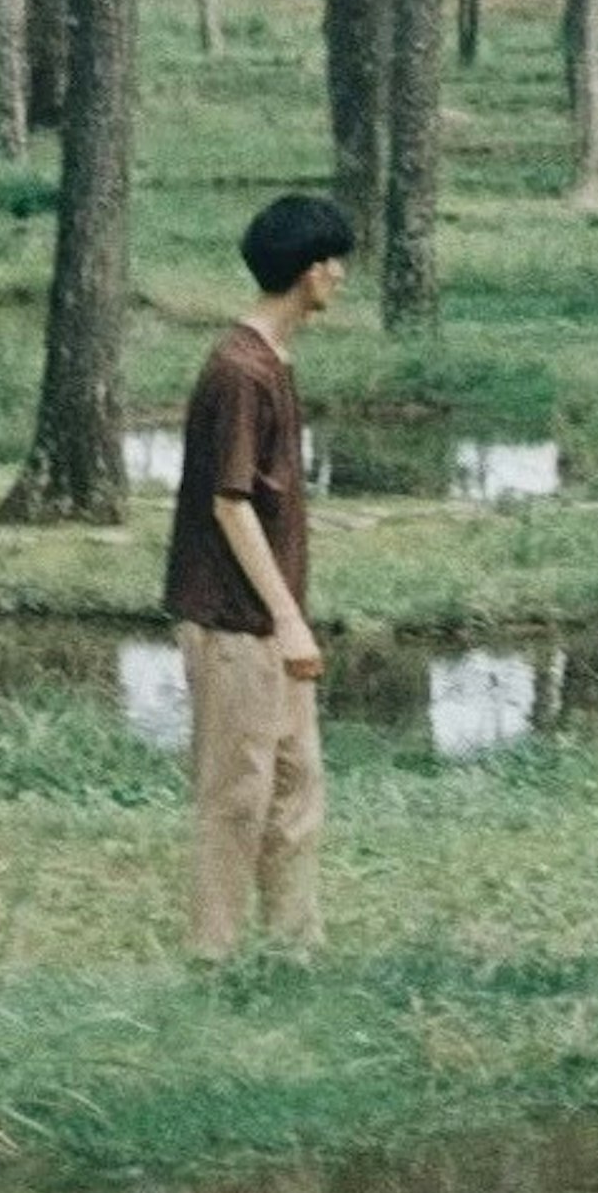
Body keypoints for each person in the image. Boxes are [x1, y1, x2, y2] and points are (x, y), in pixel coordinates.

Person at [161, 194, 351, 956]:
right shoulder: (239, 372)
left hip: (268, 620)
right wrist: (288, 618)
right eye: (333, 262)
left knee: (297, 787)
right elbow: (230, 505)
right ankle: (215, 959)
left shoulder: (275, 362)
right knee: (236, 795)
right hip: (233, 620)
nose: (340, 275)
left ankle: (293, 954)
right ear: (308, 272)